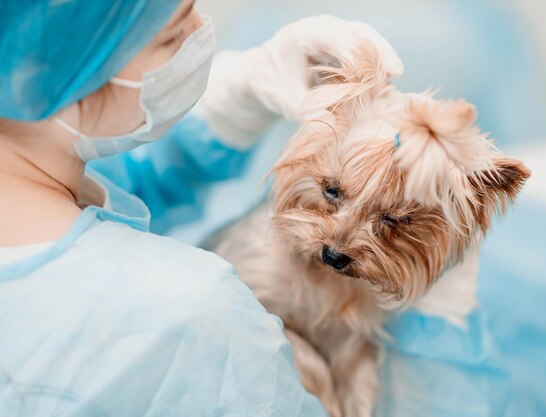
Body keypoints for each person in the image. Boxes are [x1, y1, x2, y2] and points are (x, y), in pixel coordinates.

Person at [0, 1, 404, 415]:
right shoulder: (194, 318)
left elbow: (136, 179)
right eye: (173, 34)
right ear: (36, 77)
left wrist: (236, 102)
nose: (200, 31)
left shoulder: (32, 171)